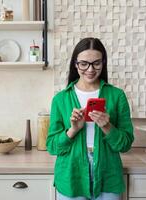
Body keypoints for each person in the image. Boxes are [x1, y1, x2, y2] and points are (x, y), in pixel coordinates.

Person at [46, 37, 134, 200]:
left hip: (108, 173)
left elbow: (125, 144)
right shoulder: (60, 99)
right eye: (84, 63)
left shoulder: (117, 96)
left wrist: (107, 126)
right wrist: (73, 130)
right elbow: (52, 147)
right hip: (71, 174)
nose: (90, 69)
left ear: (104, 63)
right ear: (75, 64)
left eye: (96, 63)